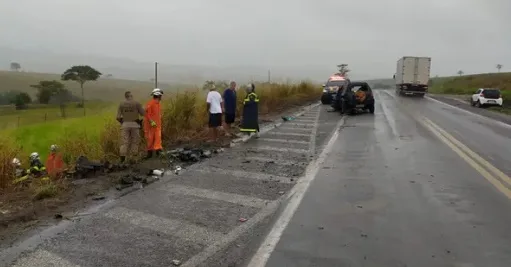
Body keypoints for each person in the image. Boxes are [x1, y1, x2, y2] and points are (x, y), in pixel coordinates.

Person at [117, 91, 145, 163]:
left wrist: (123, 122)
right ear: (131, 96)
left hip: (125, 125)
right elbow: (143, 113)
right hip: (135, 125)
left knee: (124, 142)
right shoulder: (136, 103)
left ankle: (122, 159)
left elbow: (118, 117)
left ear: (125, 97)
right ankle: (133, 158)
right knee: (135, 141)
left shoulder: (121, 104)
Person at [143, 88, 163, 159]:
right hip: (150, 126)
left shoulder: (158, 104)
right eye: (160, 96)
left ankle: (158, 152)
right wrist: (151, 121)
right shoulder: (150, 103)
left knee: (158, 138)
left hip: (157, 125)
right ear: (157, 96)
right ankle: (149, 154)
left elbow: (158, 114)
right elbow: (146, 113)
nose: (161, 97)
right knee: (150, 139)